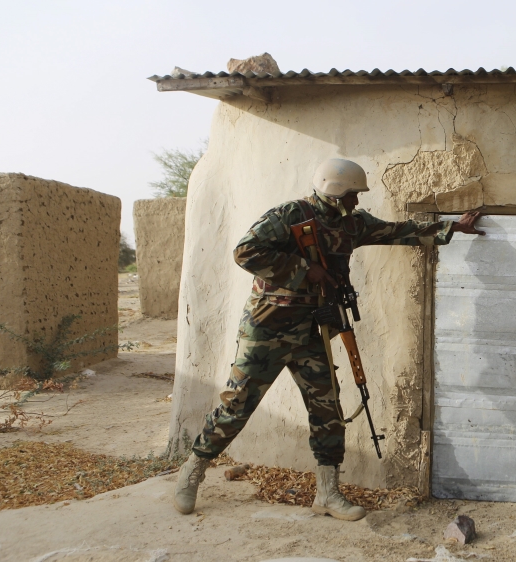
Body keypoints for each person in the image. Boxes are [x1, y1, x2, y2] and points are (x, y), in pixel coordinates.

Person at [173, 158, 485, 520]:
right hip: (268, 328)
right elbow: (245, 251)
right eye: (353, 194)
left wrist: (452, 228)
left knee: (328, 410)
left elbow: (396, 231)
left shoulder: (352, 224)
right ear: (336, 192)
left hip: (312, 330)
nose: (357, 201)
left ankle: (327, 492)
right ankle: (193, 469)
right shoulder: (290, 216)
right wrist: (306, 270)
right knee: (237, 405)